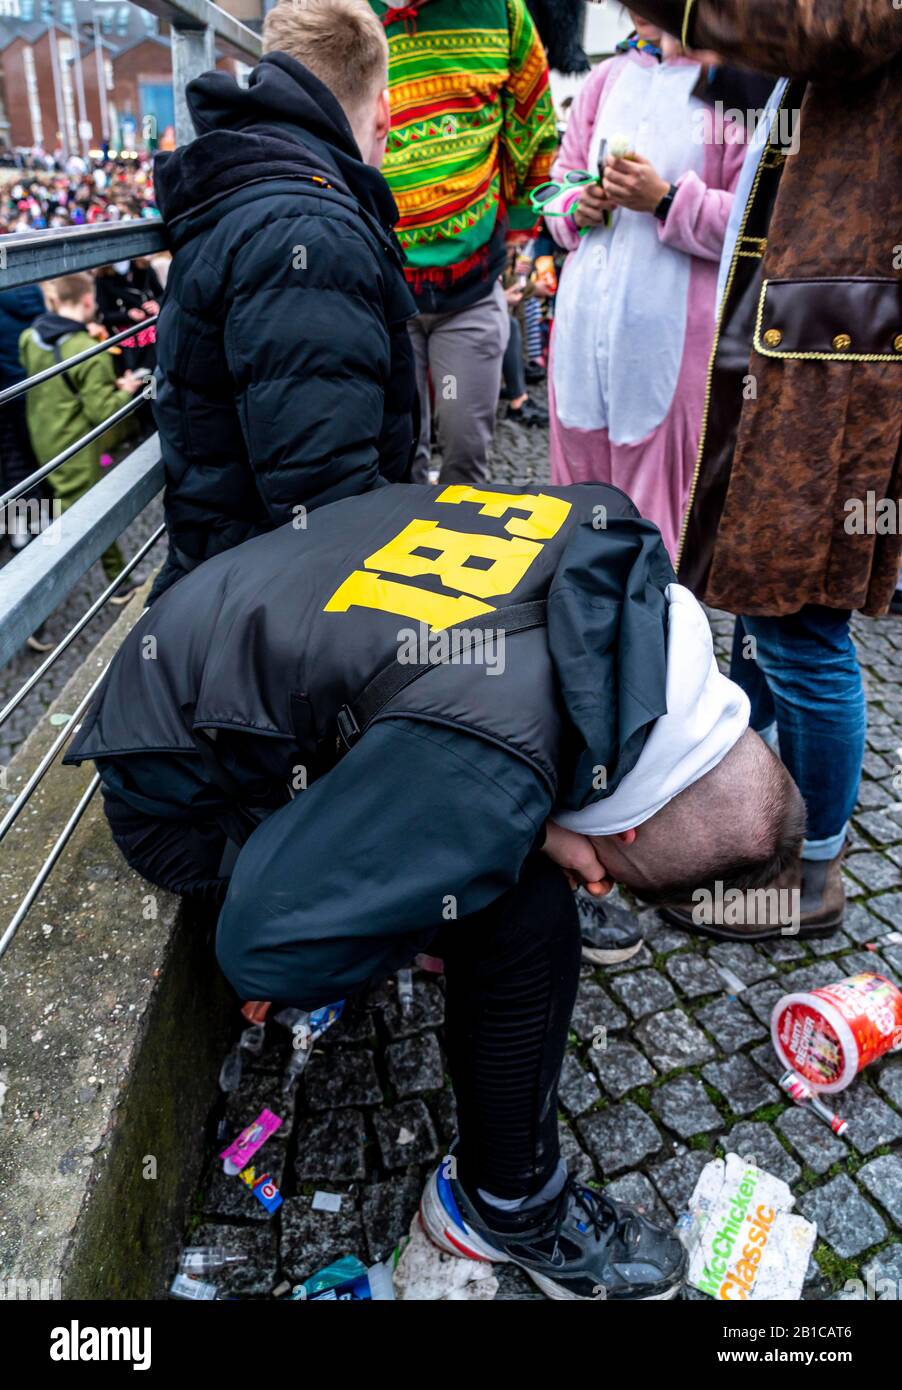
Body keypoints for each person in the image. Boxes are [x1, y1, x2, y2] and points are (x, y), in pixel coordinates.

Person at [65, 481, 804, 1298]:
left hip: (225, 623)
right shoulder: (492, 765)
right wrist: (507, 840)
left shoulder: (621, 537)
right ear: (624, 831)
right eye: (607, 874)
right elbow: (263, 950)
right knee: (528, 917)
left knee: (496, 855)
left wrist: (527, 823)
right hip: (177, 783)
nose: (594, 879)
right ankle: (506, 1203)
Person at [630, 0, 902, 932]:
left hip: (841, 373)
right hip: (819, 355)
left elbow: (830, 23)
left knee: (803, 632)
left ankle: (812, 874)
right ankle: (772, 831)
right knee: (776, 624)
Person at [148, 0, 418, 599]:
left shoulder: (267, 186)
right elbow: (329, 513)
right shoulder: (307, 229)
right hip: (270, 614)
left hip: (236, 578)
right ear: (384, 113)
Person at [546, 10, 745, 561]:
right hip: (583, 333)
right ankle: (577, 632)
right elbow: (560, 182)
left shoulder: (729, 88)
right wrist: (577, 205)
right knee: (575, 516)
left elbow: (756, 226)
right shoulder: (606, 79)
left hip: (670, 346)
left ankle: (654, 639)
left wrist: (665, 199)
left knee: (657, 528)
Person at [370, 0, 558, 484]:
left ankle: (456, 550)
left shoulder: (500, 11)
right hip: (383, 291)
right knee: (397, 458)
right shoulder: (344, 13)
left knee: (465, 457)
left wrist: (519, 222)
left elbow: (532, 118)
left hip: (470, 287)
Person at [19, 273, 143, 589]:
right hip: (73, 443)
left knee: (66, 508)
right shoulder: (87, 349)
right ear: (88, 300)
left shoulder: (30, 337)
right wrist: (126, 389)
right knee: (90, 515)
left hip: (41, 435)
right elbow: (103, 411)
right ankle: (119, 583)